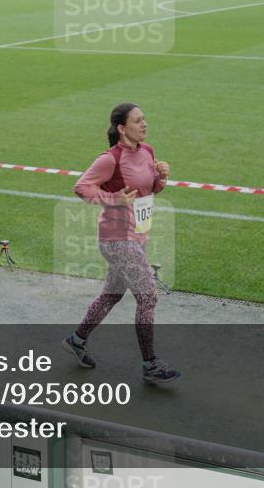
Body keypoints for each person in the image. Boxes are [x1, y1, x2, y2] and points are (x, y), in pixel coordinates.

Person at [62, 103, 180, 384]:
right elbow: (81, 187)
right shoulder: (110, 159)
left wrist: (160, 178)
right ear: (121, 128)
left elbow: (147, 190)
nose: (145, 124)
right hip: (117, 239)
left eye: (145, 120)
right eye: (138, 121)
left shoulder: (147, 151)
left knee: (112, 295)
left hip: (138, 236)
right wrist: (114, 199)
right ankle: (150, 364)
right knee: (148, 295)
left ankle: (76, 340)